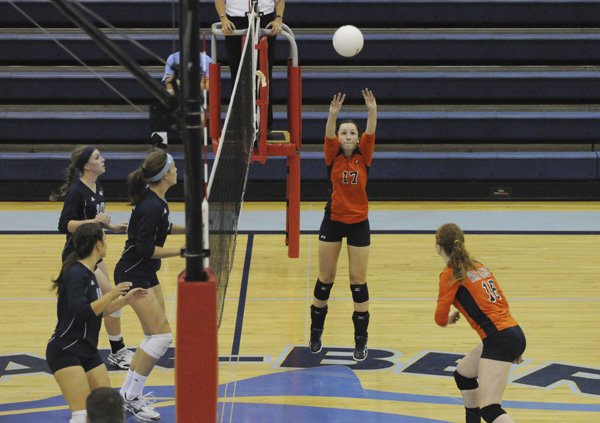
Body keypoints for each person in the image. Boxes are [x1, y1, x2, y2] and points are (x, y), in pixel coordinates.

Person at [45, 223, 147, 423]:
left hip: (87, 350)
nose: (107, 244)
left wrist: (125, 300)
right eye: (105, 240)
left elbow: (96, 312)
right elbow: (82, 312)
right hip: (66, 350)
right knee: (82, 415)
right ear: (98, 245)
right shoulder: (75, 274)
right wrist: (111, 294)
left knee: (108, 407)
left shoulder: (89, 273)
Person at [114, 149, 184, 421]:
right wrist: (182, 252)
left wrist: (195, 227)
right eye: (174, 167)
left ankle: (127, 395)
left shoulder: (157, 202)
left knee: (154, 335)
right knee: (161, 337)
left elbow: (163, 227)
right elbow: (145, 249)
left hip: (145, 273)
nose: (178, 171)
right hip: (134, 274)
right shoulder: (151, 205)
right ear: (165, 174)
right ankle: (131, 397)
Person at [308, 89, 377, 362]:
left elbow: (371, 132)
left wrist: (372, 111)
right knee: (326, 279)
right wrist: (332, 115)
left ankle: (360, 340)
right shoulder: (332, 156)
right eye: (343, 132)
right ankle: (316, 332)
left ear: (357, 139)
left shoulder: (365, 156)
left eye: (351, 133)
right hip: (333, 220)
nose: (347, 136)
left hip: (359, 223)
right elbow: (327, 134)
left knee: (357, 281)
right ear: (338, 138)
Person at [434, 223, 526, 423]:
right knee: (463, 375)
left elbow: (440, 319)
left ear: (438, 246)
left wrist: (449, 318)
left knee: (490, 409)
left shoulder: (450, 274)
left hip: (500, 339)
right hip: (512, 332)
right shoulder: (478, 266)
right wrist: (513, 345)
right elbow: (502, 301)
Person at [51, 146, 133, 370]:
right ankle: (117, 351)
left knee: (109, 301)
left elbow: (94, 221)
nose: (103, 159)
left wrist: (111, 226)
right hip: (78, 257)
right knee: (110, 301)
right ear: (87, 165)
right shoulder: (77, 191)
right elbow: (64, 225)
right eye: (98, 157)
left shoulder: (97, 187)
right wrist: (94, 222)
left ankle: (115, 350)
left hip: (94, 255)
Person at [214, 0, 285, 133]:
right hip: (235, 20)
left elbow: (280, 1)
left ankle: (265, 126)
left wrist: (278, 19)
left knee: (264, 75)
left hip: (265, 19)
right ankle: (239, 125)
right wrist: (223, 19)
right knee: (238, 74)